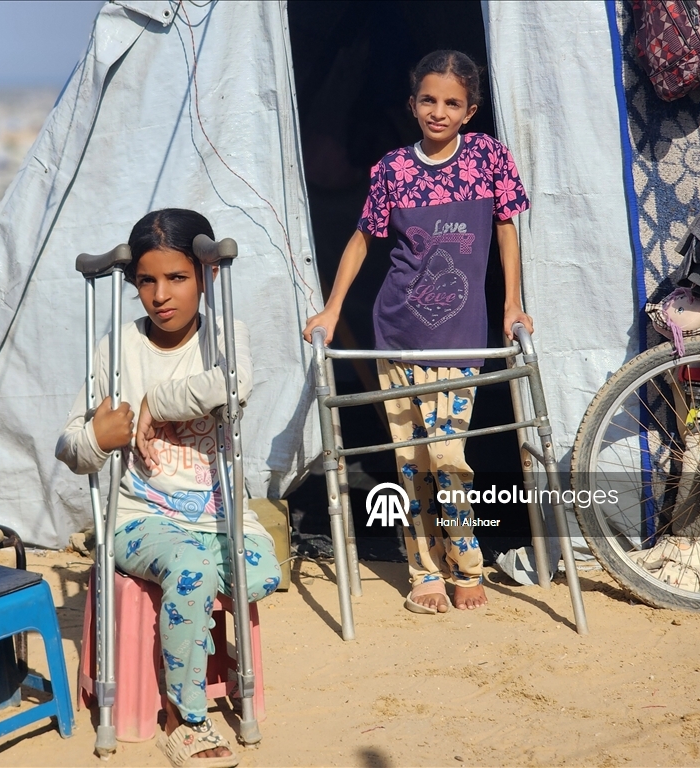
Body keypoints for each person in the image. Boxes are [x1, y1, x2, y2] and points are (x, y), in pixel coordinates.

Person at [303, 50, 532, 615]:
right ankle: (424, 571)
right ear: (412, 104)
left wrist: (513, 304)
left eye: (452, 102)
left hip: (463, 338)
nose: (438, 111)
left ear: (470, 111)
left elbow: (507, 230)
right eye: (428, 100)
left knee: (449, 456)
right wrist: (331, 310)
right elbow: (362, 240)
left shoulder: (488, 159)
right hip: (398, 334)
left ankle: (468, 561)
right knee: (411, 461)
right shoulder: (392, 171)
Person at [57, 208, 280, 768]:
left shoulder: (229, 337)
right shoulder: (117, 350)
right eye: (147, 281)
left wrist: (158, 402)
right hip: (140, 519)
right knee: (192, 571)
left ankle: (190, 637)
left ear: (203, 277)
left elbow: (232, 386)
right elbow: (68, 446)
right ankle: (187, 719)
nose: (161, 294)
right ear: (133, 285)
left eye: (177, 278)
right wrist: (97, 437)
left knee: (264, 572)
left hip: (216, 515)